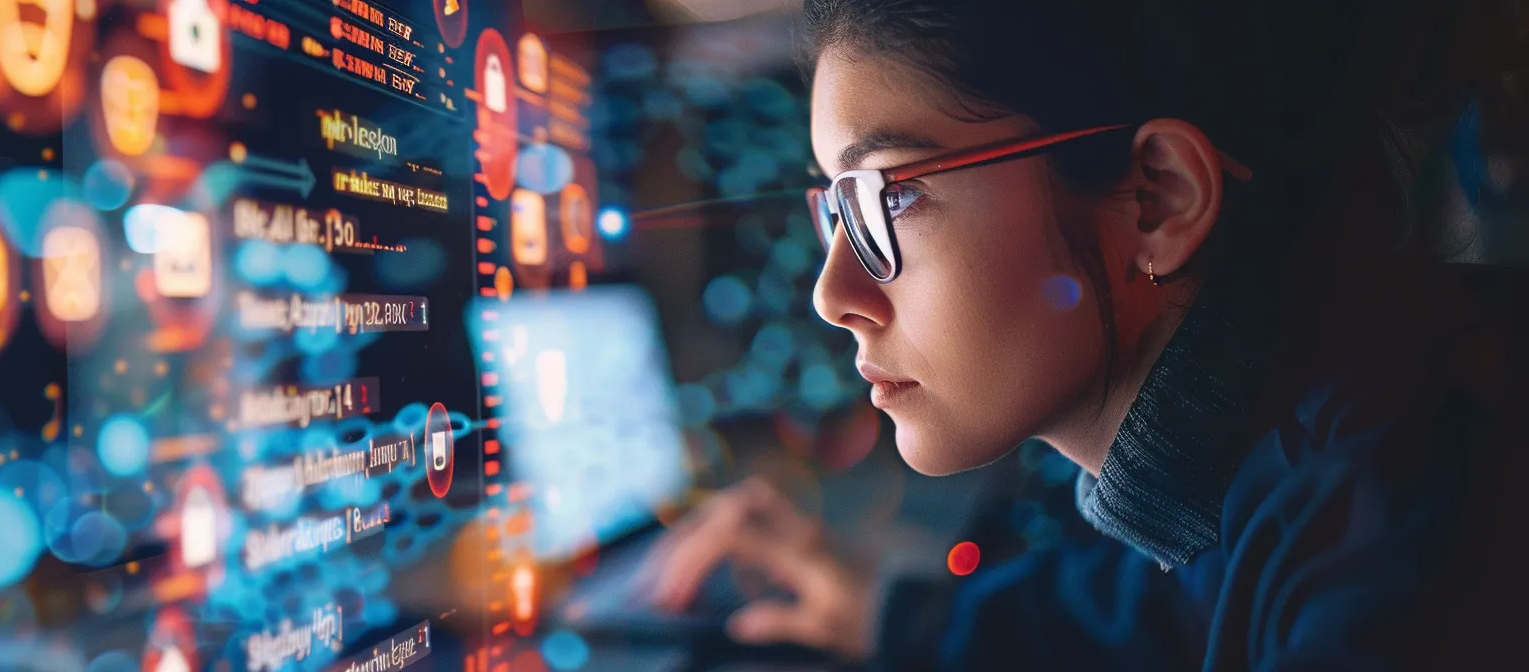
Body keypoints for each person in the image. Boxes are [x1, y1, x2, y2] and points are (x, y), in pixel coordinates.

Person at [643, 0, 1529, 668]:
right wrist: (883, 611)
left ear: (1159, 199)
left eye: (887, 198)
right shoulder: (1273, 461)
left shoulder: (1398, 537)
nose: (833, 294)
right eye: (833, 209)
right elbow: (1137, 621)